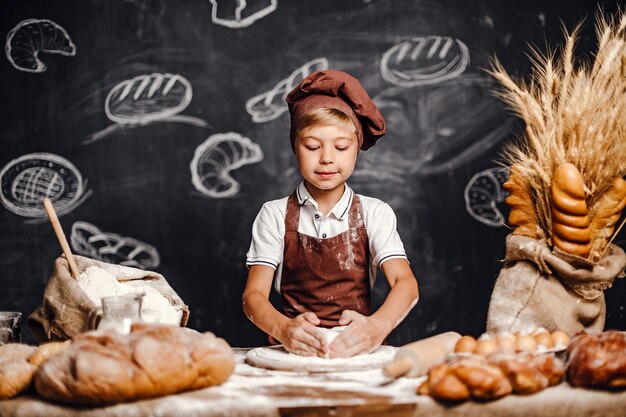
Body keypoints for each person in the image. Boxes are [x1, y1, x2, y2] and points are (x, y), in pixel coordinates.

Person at [242, 70, 419, 358]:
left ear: (357, 149)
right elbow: (253, 297)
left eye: (340, 146)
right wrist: (284, 329)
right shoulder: (273, 215)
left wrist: (376, 327)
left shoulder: (375, 213)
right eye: (312, 146)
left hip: (358, 351)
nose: (326, 157)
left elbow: (405, 283)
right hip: (292, 352)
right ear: (295, 148)